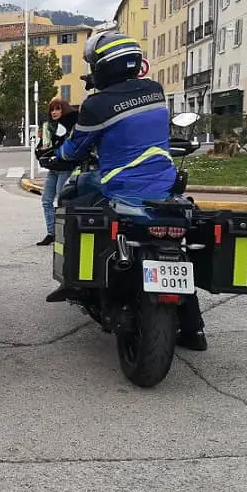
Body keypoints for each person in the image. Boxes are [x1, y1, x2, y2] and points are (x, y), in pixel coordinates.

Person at [43, 31, 207, 351]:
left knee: (71, 201)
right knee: (178, 253)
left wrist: (54, 157)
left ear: (103, 66)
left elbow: (75, 149)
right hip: (164, 189)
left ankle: (78, 283)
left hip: (122, 191)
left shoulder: (97, 104)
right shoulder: (155, 92)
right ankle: (194, 330)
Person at [35, 98, 78, 246]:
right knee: (46, 200)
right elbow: (44, 147)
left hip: (65, 168)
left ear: (64, 109)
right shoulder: (49, 127)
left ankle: (65, 233)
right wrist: (41, 150)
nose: (54, 112)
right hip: (53, 169)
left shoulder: (73, 125)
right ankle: (51, 233)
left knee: (62, 201)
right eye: (52, 109)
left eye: (58, 109)